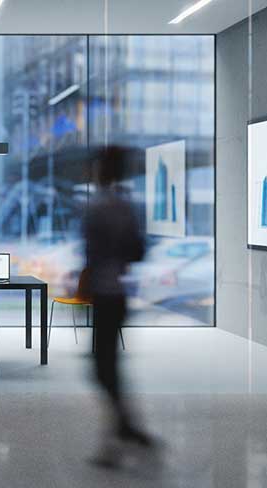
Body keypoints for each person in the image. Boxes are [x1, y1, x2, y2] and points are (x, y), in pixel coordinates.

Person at [82, 146, 156, 468]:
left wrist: (94, 271)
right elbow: (139, 250)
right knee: (107, 367)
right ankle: (123, 431)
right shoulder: (125, 206)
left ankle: (123, 433)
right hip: (118, 293)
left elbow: (92, 253)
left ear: (102, 169)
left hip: (105, 294)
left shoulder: (100, 207)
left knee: (103, 369)